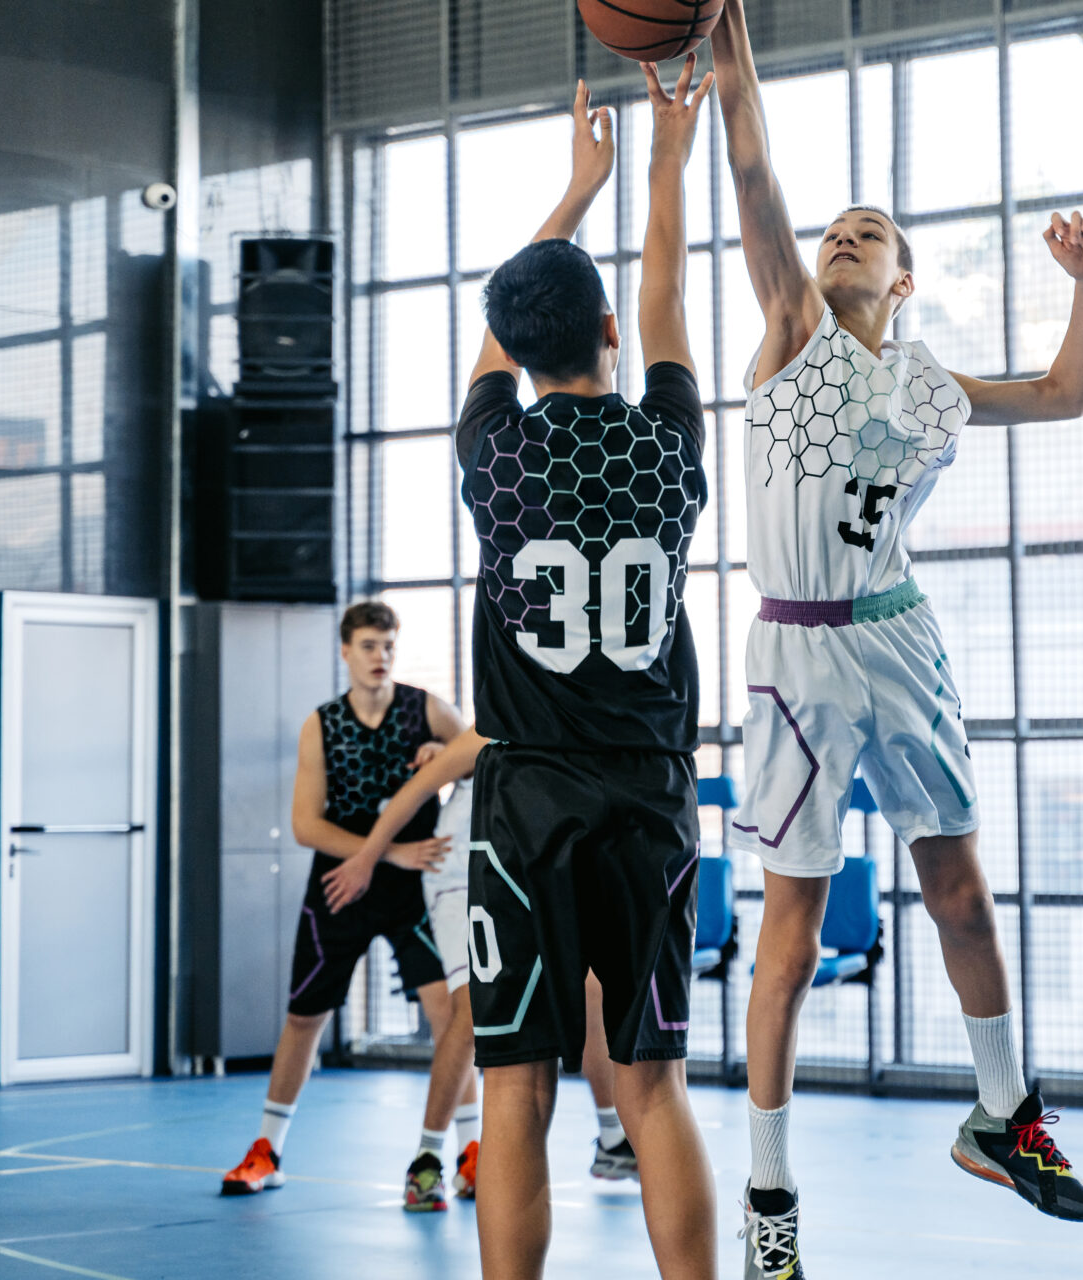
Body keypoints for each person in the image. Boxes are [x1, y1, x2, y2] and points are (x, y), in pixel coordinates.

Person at [709, 2, 1083, 1272]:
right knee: (790, 929)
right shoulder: (790, 327)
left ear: (905, 276)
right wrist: (727, 38)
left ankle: (1003, 1113)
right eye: (836, 229)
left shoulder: (931, 381)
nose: (842, 237)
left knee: (961, 891)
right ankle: (769, 1197)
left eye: (868, 234)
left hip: (898, 634)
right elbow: (754, 166)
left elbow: (1063, 393)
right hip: (794, 656)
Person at [456, 64, 716, 1280]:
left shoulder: (492, 454)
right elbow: (661, 289)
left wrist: (573, 190)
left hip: (527, 802)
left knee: (516, 1090)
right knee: (654, 1084)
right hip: (651, 796)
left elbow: (505, 338)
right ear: (608, 335)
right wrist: (664, 157)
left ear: (512, 345)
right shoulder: (669, 447)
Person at [332, 730, 643, 1210]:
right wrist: (371, 857)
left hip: (530, 874)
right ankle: (427, 1160)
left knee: (592, 989)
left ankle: (612, 1141)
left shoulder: (571, 724)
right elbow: (414, 791)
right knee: (474, 1009)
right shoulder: (486, 731)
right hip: (461, 874)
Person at [220, 600, 471, 1196]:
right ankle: (267, 1150)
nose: (380, 657)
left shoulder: (427, 709)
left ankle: (469, 1153)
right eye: (367, 646)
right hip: (341, 887)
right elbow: (306, 825)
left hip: (417, 890)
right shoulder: (322, 724)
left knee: (451, 1019)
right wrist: (384, 853)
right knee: (305, 1017)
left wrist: (446, 761)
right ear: (344, 651)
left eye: (388, 646)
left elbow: (489, 761)